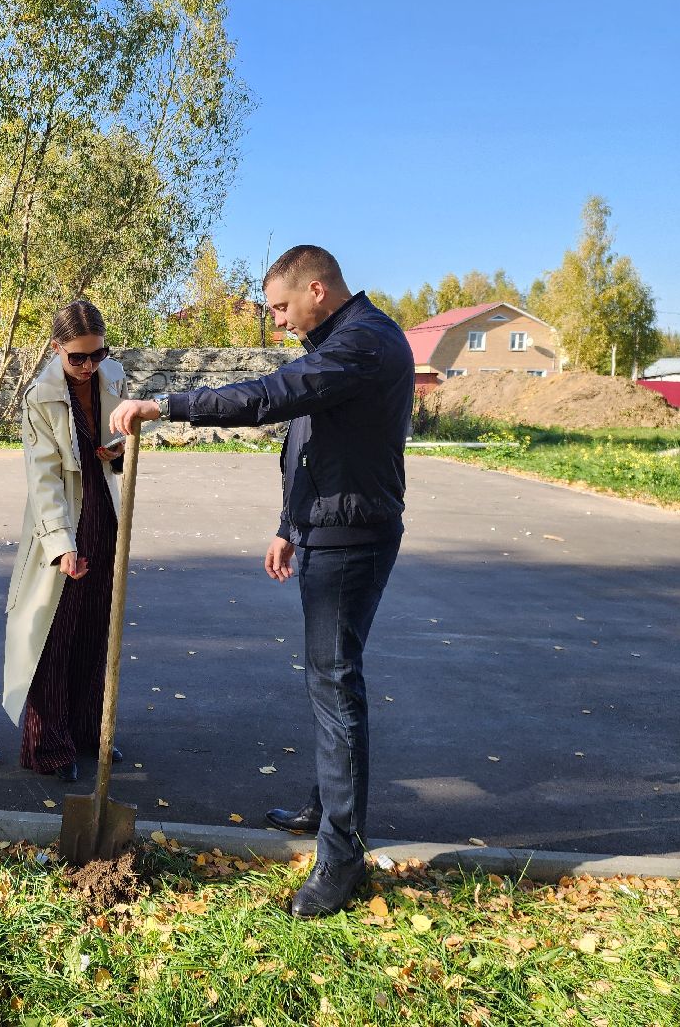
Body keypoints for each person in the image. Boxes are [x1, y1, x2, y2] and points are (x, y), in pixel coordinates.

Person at [111, 245, 413, 917]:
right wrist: (288, 522)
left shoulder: (362, 344)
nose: (276, 321)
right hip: (324, 526)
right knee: (327, 679)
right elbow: (311, 436)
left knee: (336, 684)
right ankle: (326, 806)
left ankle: (342, 856)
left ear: (316, 288)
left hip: (352, 535)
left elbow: (274, 397)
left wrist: (168, 405)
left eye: (281, 307)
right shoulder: (337, 339)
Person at [2, 301, 127, 783]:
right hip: (65, 519)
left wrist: (120, 450)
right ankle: (47, 744)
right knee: (54, 632)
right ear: (56, 349)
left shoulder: (111, 375)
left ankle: (91, 731)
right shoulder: (40, 395)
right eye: (77, 357)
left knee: (99, 629)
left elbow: (131, 437)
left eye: (97, 354)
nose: (88, 365)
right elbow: (44, 477)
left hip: (108, 512)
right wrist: (60, 543)